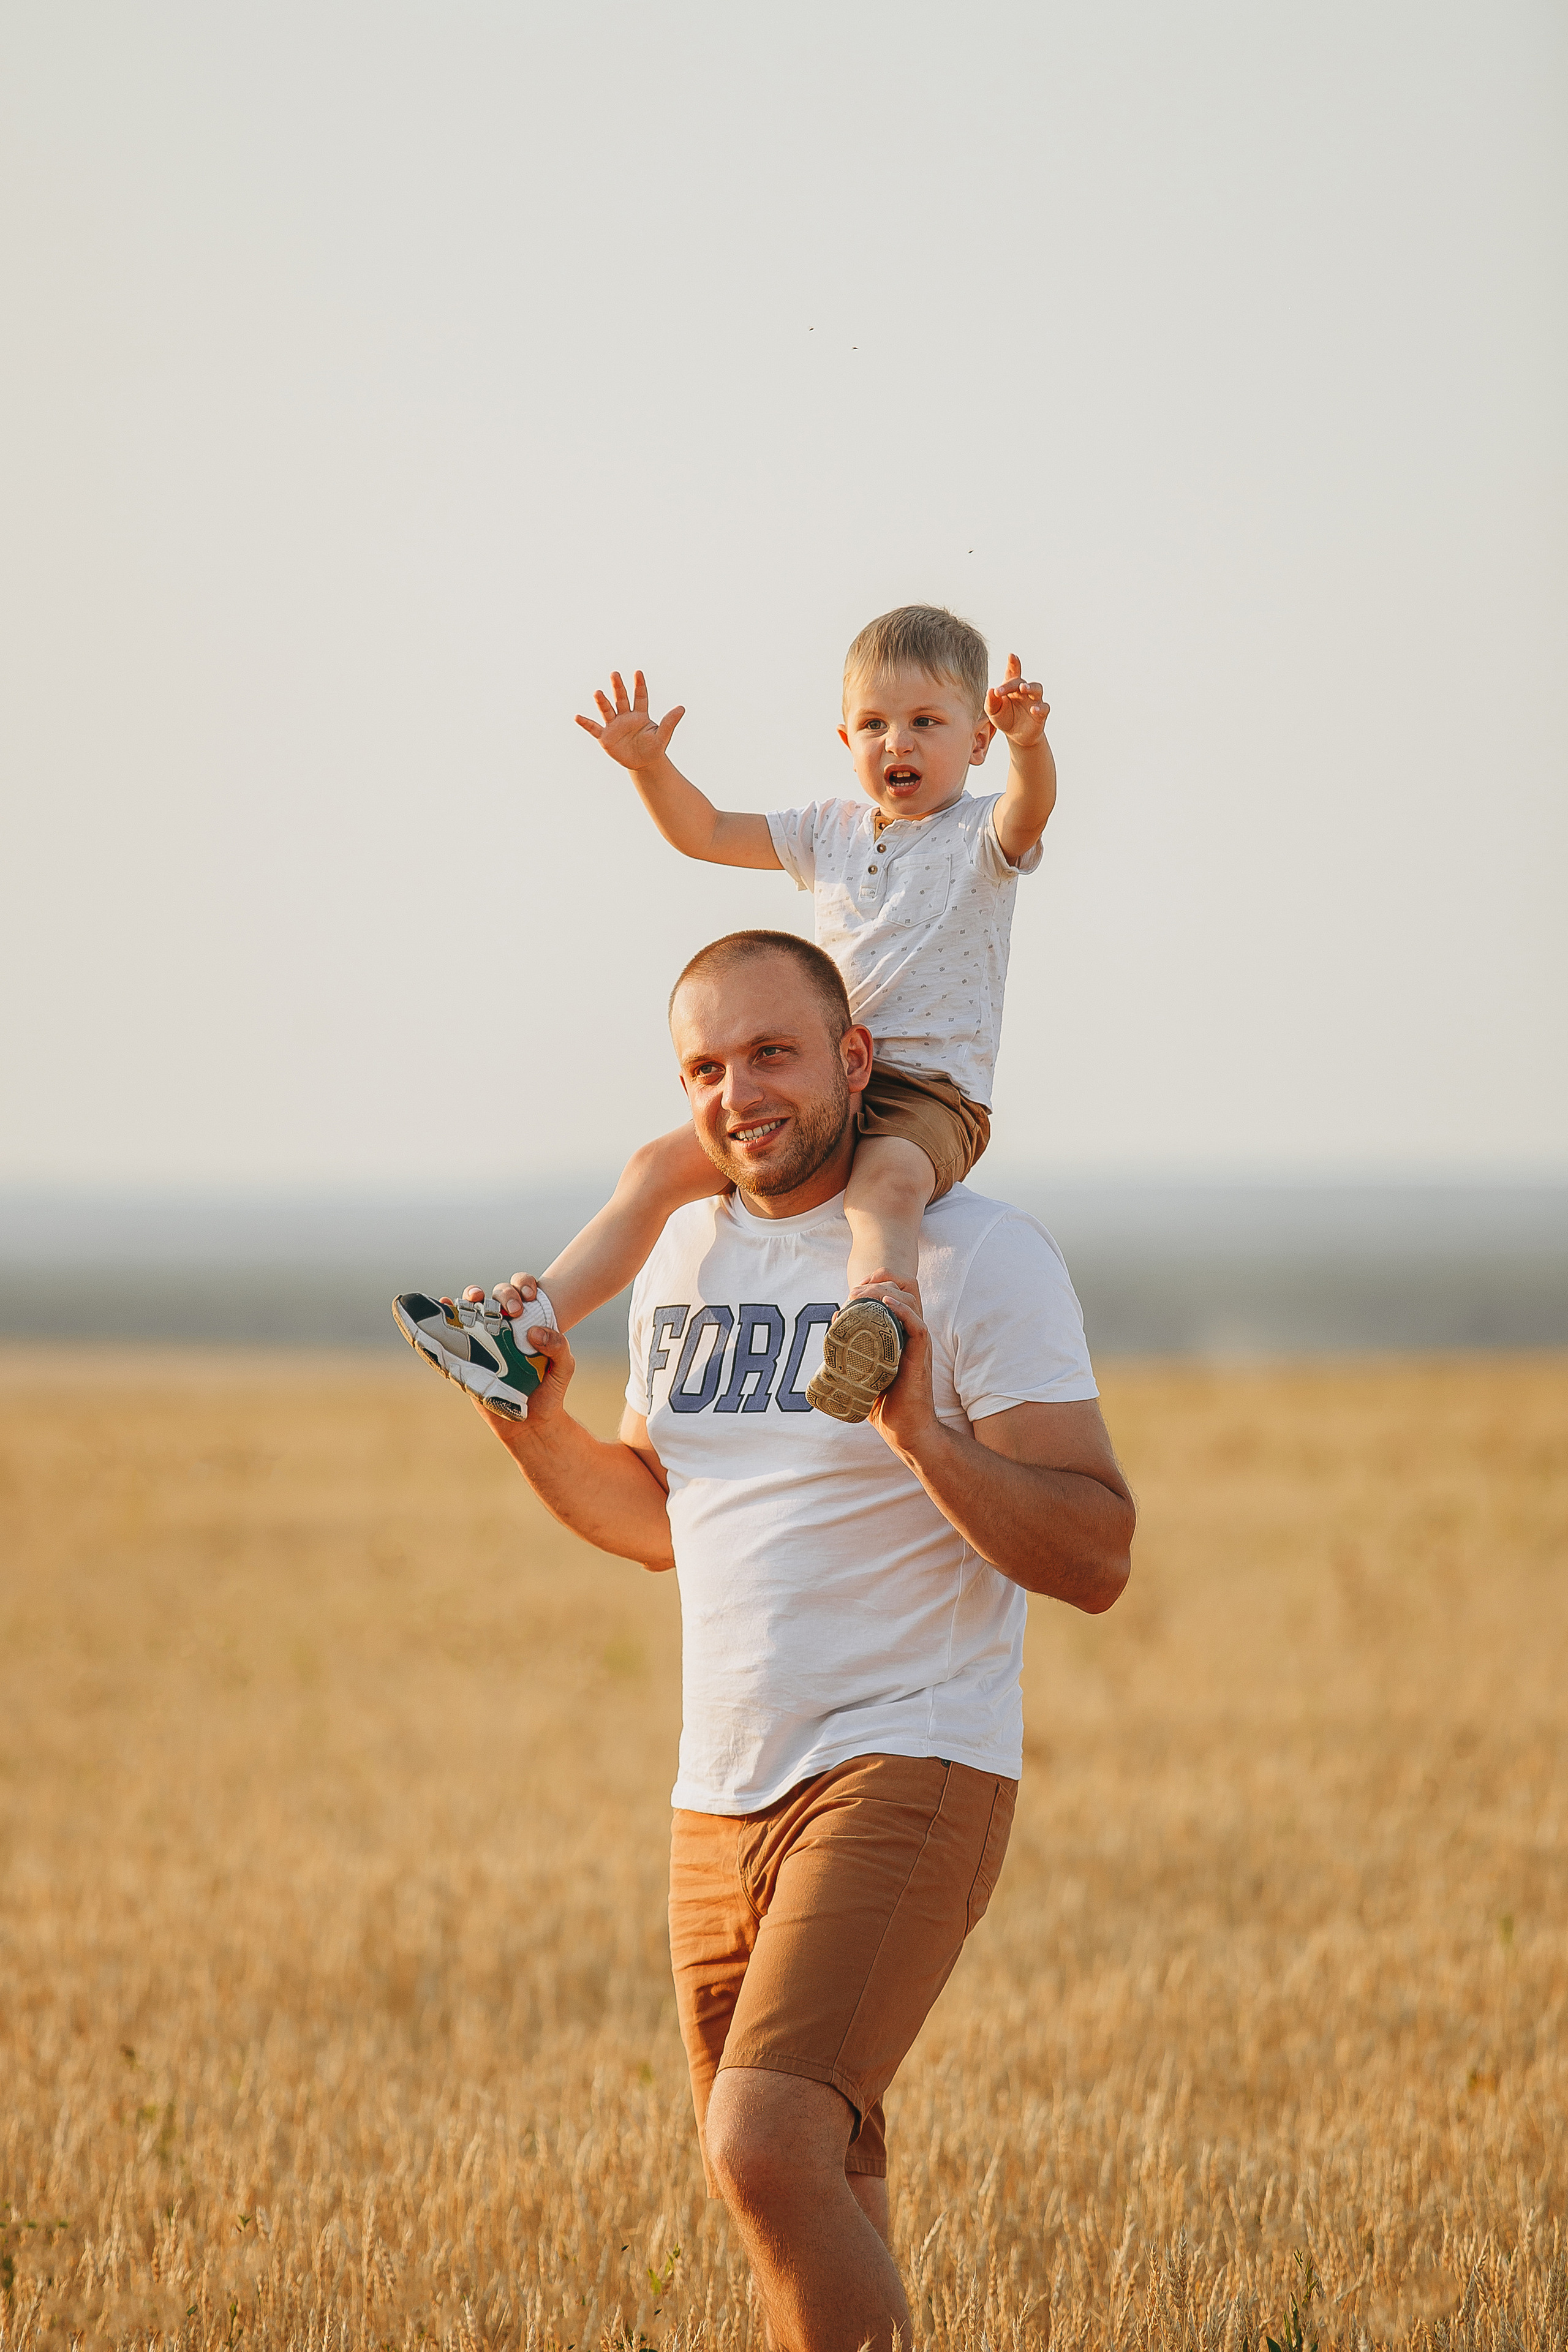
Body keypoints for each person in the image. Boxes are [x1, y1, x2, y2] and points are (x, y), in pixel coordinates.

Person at [447, 930, 1134, 2352]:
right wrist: (533, 1425)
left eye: (770, 1053)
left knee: (760, 2143)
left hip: (906, 1757)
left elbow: (1095, 1553)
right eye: (704, 1067)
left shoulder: (974, 1257)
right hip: (715, 1795)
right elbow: (661, 1517)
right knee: (811, 2176)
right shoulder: (683, 1255)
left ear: (852, 1059)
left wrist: (916, 1432)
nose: (737, 1093)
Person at [394, 603, 1056, 1422]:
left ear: (979, 738)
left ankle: (875, 1329)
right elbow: (703, 830)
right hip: (823, 1078)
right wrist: (648, 767)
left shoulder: (979, 834)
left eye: (927, 721)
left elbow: (1028, 812)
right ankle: (524, 1335)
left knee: (883, 1188)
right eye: (874, 724)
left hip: (928, 1090)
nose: (899, 743)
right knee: (654, 1168)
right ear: (845, 739)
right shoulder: (829, 831)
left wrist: (1030, 747)